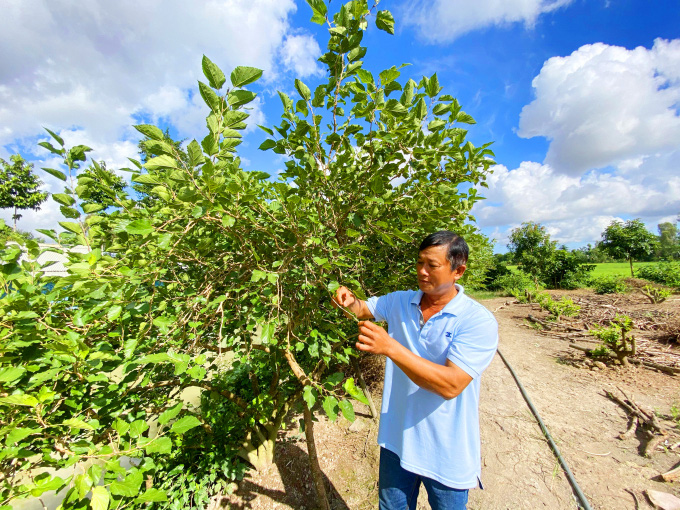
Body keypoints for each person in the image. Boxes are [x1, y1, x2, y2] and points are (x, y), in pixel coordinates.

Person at [334, 231, 498, 510]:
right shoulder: (400, 301)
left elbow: (451, 385)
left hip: (447, 451)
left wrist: (390, 347)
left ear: (458, 270)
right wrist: (348, 300)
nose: (421, 272)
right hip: (397, 441)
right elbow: (363, 308)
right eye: (419, 263)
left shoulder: (476, 321)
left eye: (432, 265)